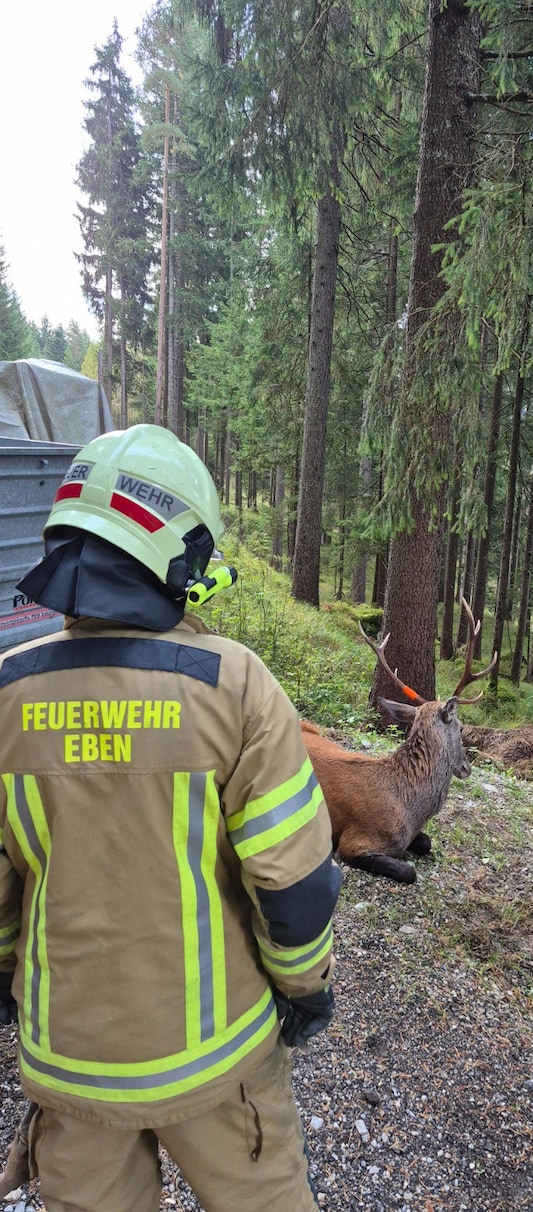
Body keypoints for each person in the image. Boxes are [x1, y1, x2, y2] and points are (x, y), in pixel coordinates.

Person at [0, 424, 341, 1212]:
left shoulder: (7, 695)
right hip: (219, 1064)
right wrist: (306, 990)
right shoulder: (235, 686)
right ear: (182, 553)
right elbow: (291, 883)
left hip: (70, 1068)